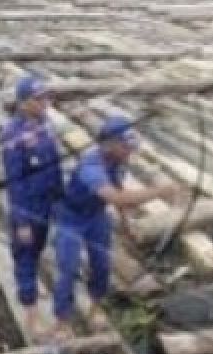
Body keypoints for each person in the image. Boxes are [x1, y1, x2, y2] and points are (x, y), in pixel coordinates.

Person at [52, 114, 179, 339]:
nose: (130, 151)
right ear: (109, 144)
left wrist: (126, 222)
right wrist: (159, 192)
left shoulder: (119, 160)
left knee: (102, 264)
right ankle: (62, 321)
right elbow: (116, 197)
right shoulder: (91, 167)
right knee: (68, 268)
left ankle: (95, 308)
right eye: (125, 146)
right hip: (70, 217)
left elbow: (118, 187)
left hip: (96, 215)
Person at [0, 75, 63, 334]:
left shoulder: (44, 126)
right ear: (24, 103)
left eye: (46, 98)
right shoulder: (12, 135)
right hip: (27, 208)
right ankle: (31, 318)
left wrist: (61, 202)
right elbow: (14, 182)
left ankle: (34, 302)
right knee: (25, 257)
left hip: (46, 204)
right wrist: (22, 221)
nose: (45, 103)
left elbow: (55, 167)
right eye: (39, 99)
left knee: (36, 253)